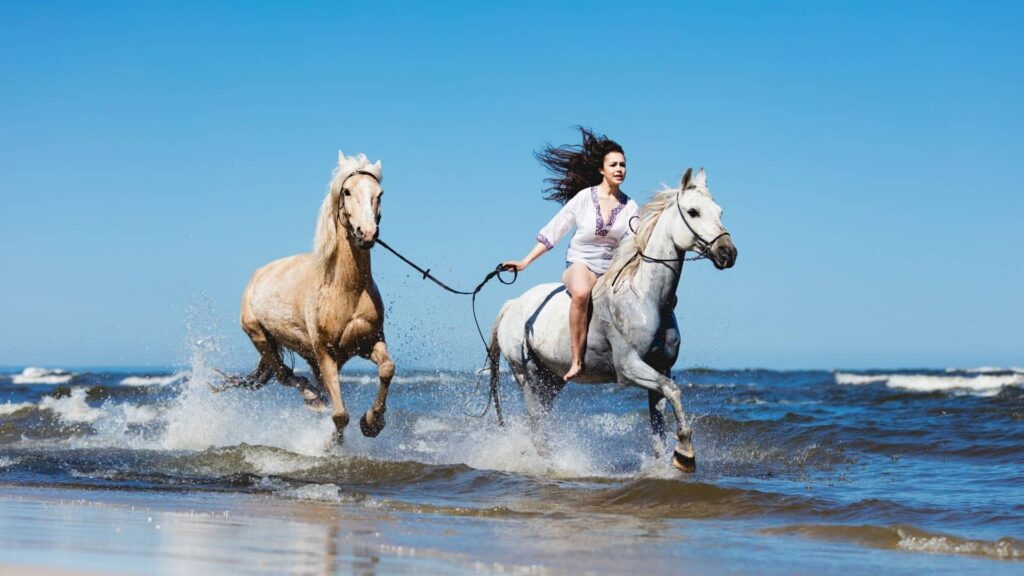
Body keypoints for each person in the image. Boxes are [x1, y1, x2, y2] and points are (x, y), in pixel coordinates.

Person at [503, 128, 639, 381]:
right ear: (601, 169)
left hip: (611, 270)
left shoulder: (630, 206)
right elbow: (554, 232)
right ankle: (577, 360)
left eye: (623, 164)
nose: (619, 169)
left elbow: (634, 242)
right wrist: (524, 262)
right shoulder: (584, 198)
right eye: (613, 165)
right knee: (581, 293)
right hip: (581, 264)